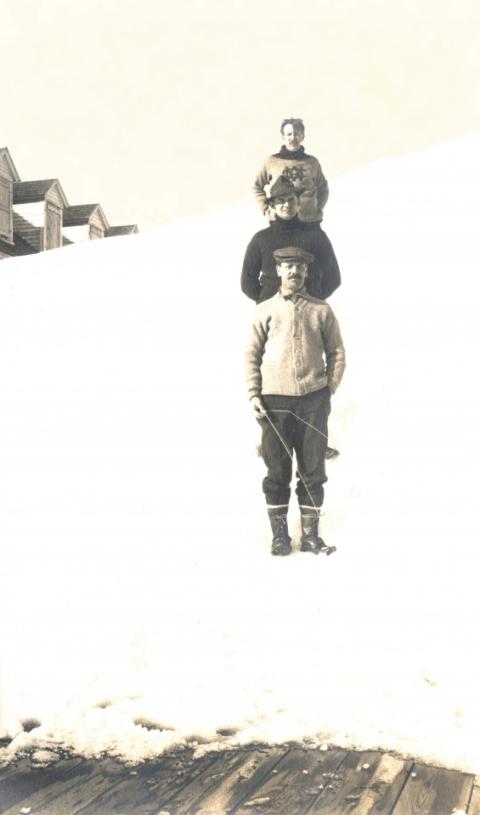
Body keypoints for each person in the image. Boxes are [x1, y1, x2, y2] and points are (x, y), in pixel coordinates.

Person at [245, 246, 345, 557]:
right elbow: (251, 355)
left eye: (300, 267)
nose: (294, 272)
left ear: (306, 272)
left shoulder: (322, 310)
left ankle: (311, 537)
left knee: (312, 470)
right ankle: (279, 538)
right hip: (274, 403)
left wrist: (327, 390)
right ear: (277, 271)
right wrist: (253, 393)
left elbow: (338, 353)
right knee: (277, 470)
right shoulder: (264, 310)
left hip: (313, 403)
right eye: (288, 266)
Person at [241, 175, 340, 303]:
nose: (287, 205)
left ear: (298, 202)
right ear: (272, 205)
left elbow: (334, 278)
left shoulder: (316, 235)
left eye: (291, 200)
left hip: (308, 311)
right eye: (281, 200)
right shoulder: (261, 239)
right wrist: (266, 300)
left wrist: (314, 299)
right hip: (274, 314)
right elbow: (247, 282)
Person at [252, 118, 329, 223]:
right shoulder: (271, 161)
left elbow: (323, 188)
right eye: (289, 134)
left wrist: (316, 209)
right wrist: (266, 210)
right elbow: (256, 187)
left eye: (297, 134)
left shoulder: (312, 162)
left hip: (309, 223)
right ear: (283, 137)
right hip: (281, 222)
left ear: (303, 136)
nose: (293, 138)